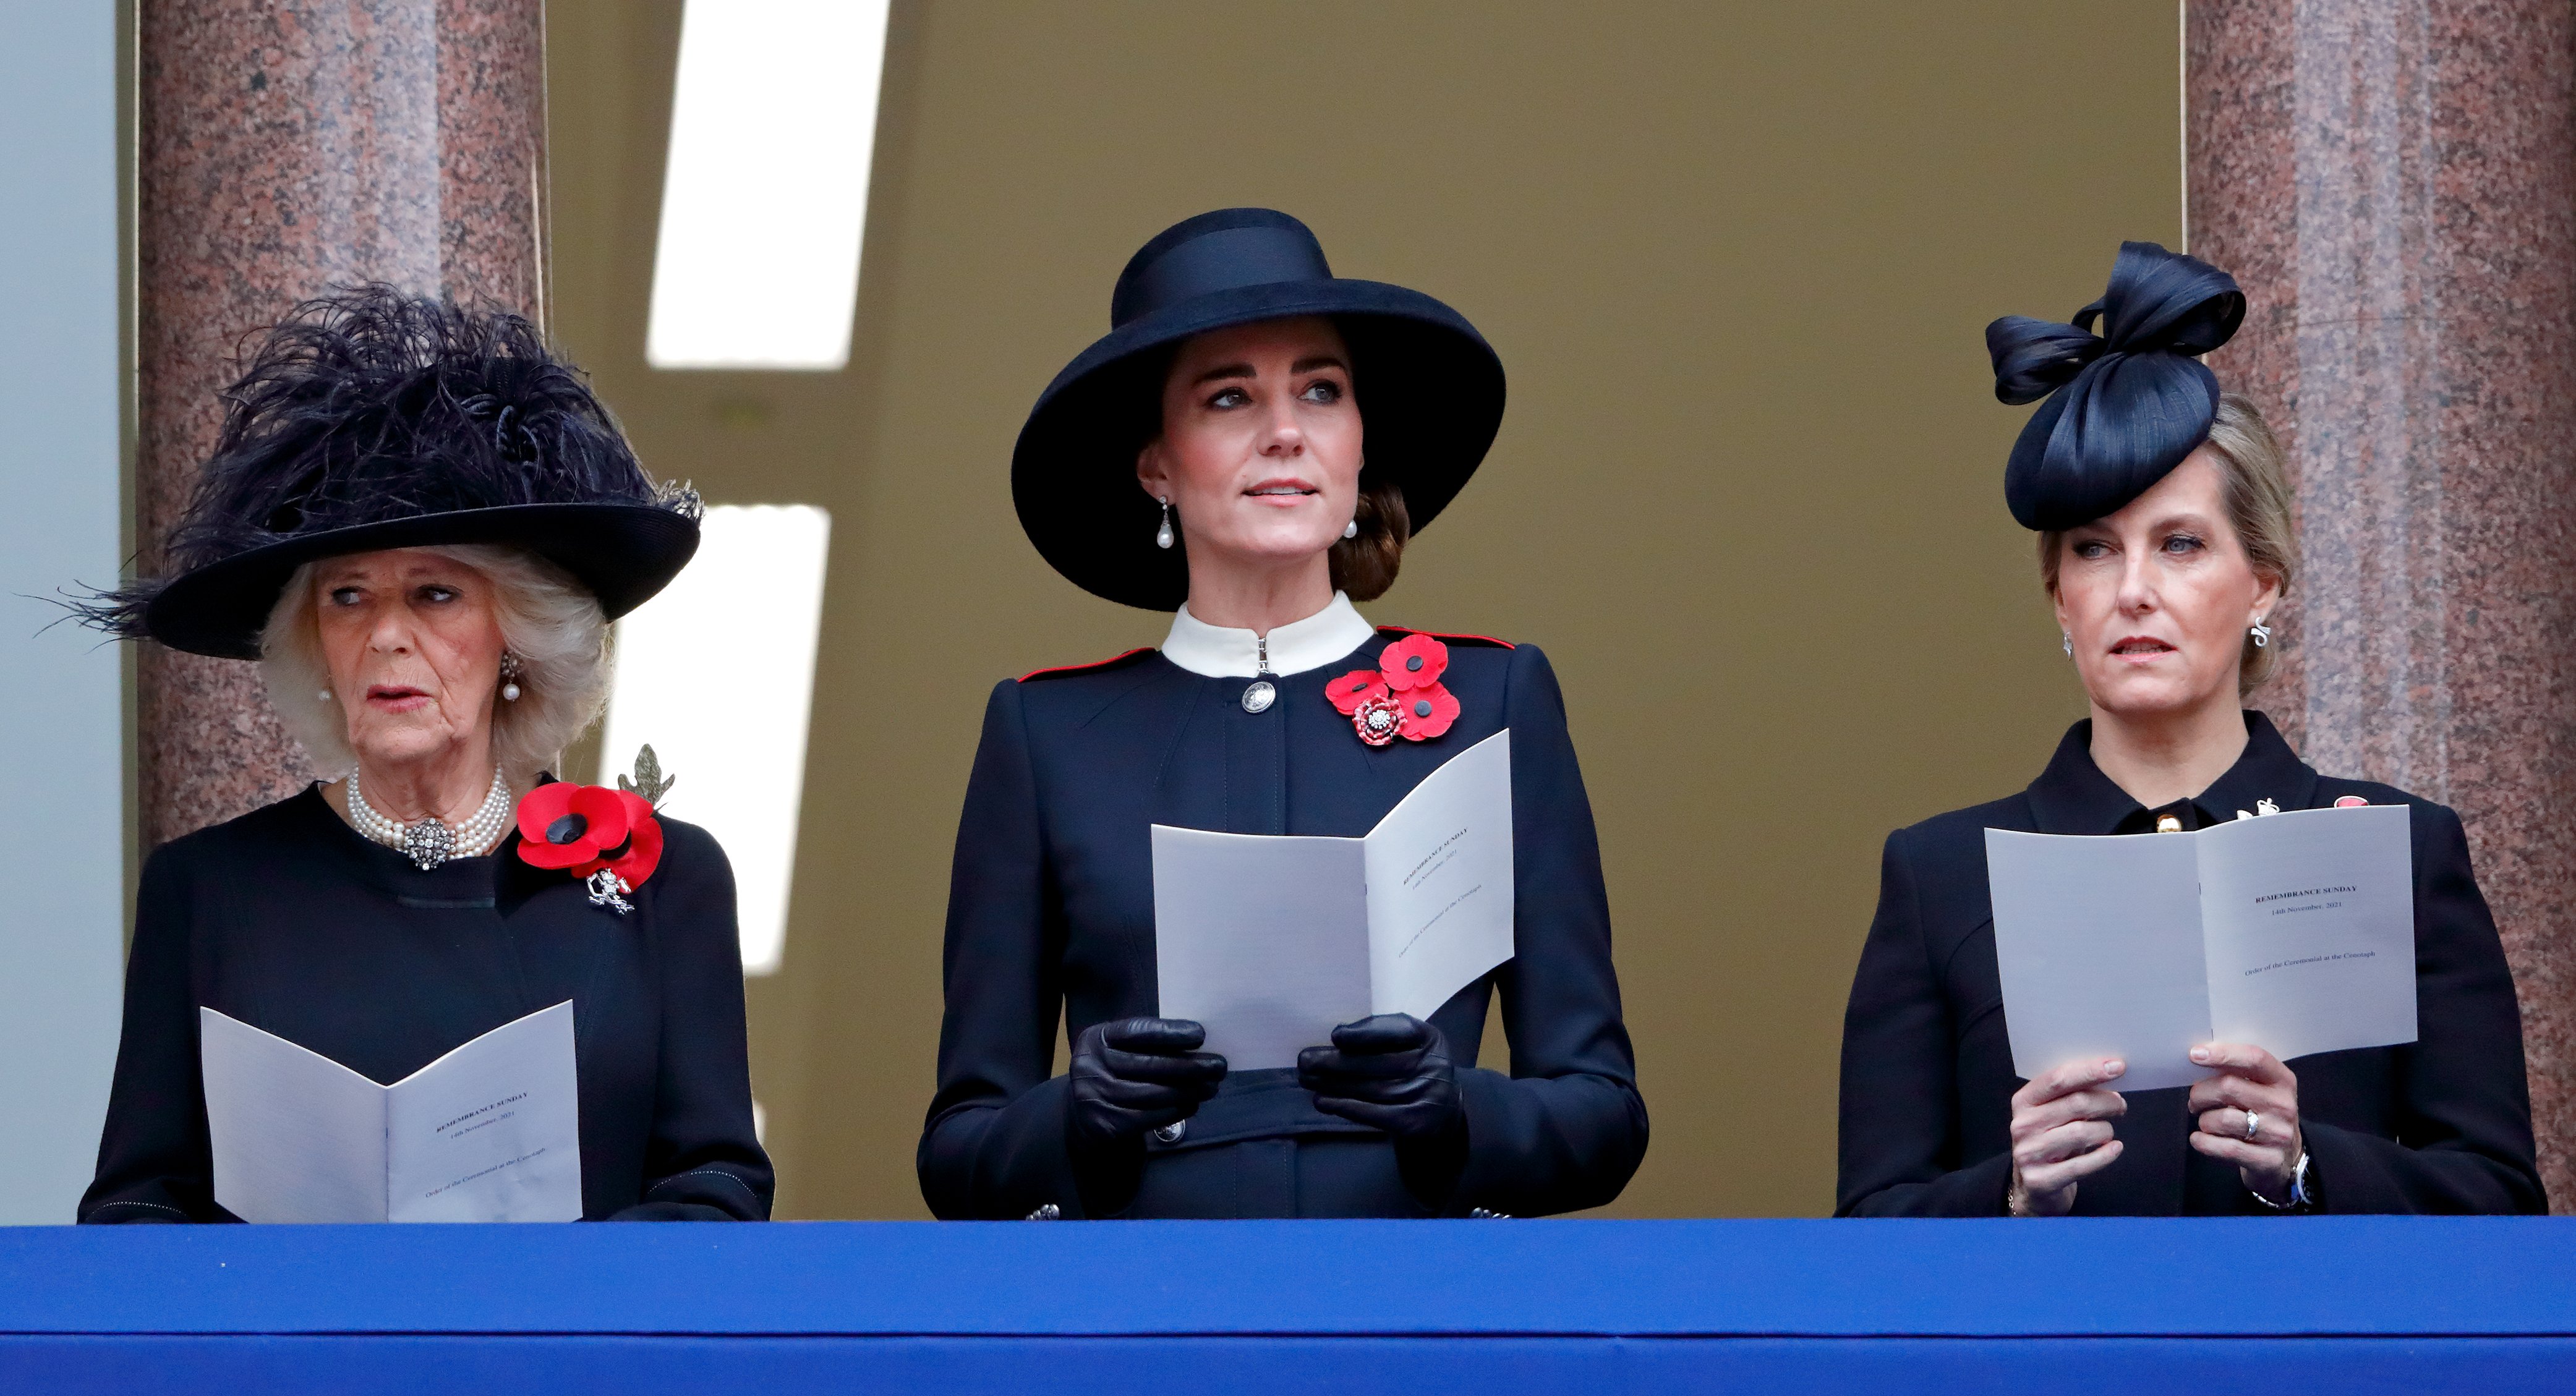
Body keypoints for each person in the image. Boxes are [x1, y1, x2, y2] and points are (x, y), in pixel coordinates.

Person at [921, 208, 1647, 1219]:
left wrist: (1458, 1111)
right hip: (1148, 1326)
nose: (1285, 430)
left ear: (1358, 443)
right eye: (1228, 397)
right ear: (1157, 466)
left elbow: (1602, 1111)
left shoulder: (1494, 700)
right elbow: (958, 1149)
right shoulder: (1047, 733)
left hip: (1417, 1322)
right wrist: (1073, 1114)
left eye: (1321, 389)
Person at [1836, 242, 2543, 1217]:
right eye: (2093, 549)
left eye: (2179, 544)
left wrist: (2307, 1165)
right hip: (2046, 1367)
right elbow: (1865, 1234)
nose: (2132, 590)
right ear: (2057, 596)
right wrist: (2006, 1193)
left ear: (2261, 580)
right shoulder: (1940, 872)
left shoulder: (2394, 848)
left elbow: (2499, 1201)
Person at [77, 287, 771, 1223]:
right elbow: (135, 1211)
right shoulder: (207, 889)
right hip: (292, 1363)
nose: (386, 636)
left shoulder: (667, 879)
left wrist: (523, 1295)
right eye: (348, 597)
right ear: (312, 643)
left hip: (566, 1359)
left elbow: (717, 1190)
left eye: (435, 594)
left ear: (513, 636)